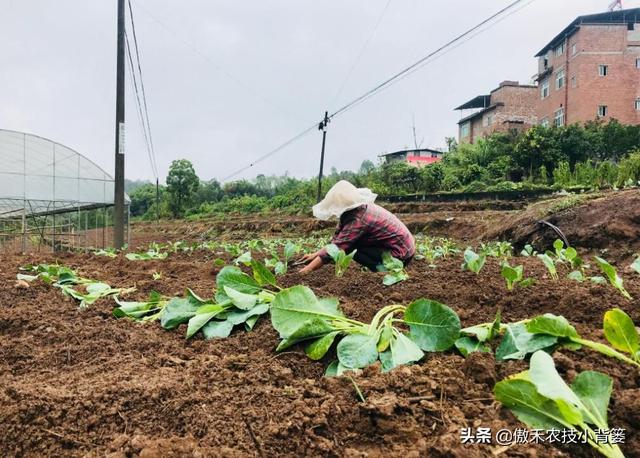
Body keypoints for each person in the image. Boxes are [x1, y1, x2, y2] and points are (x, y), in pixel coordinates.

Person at [299, 180, 415, 274]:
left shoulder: (358, 219)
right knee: (350, 244)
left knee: (351, 247)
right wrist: (314, 255)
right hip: (399, 247)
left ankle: (383, 271)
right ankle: (382, 268)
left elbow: (337, 247)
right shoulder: (353, 211)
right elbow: (336, 240)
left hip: (400, 254)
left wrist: (306, 271)